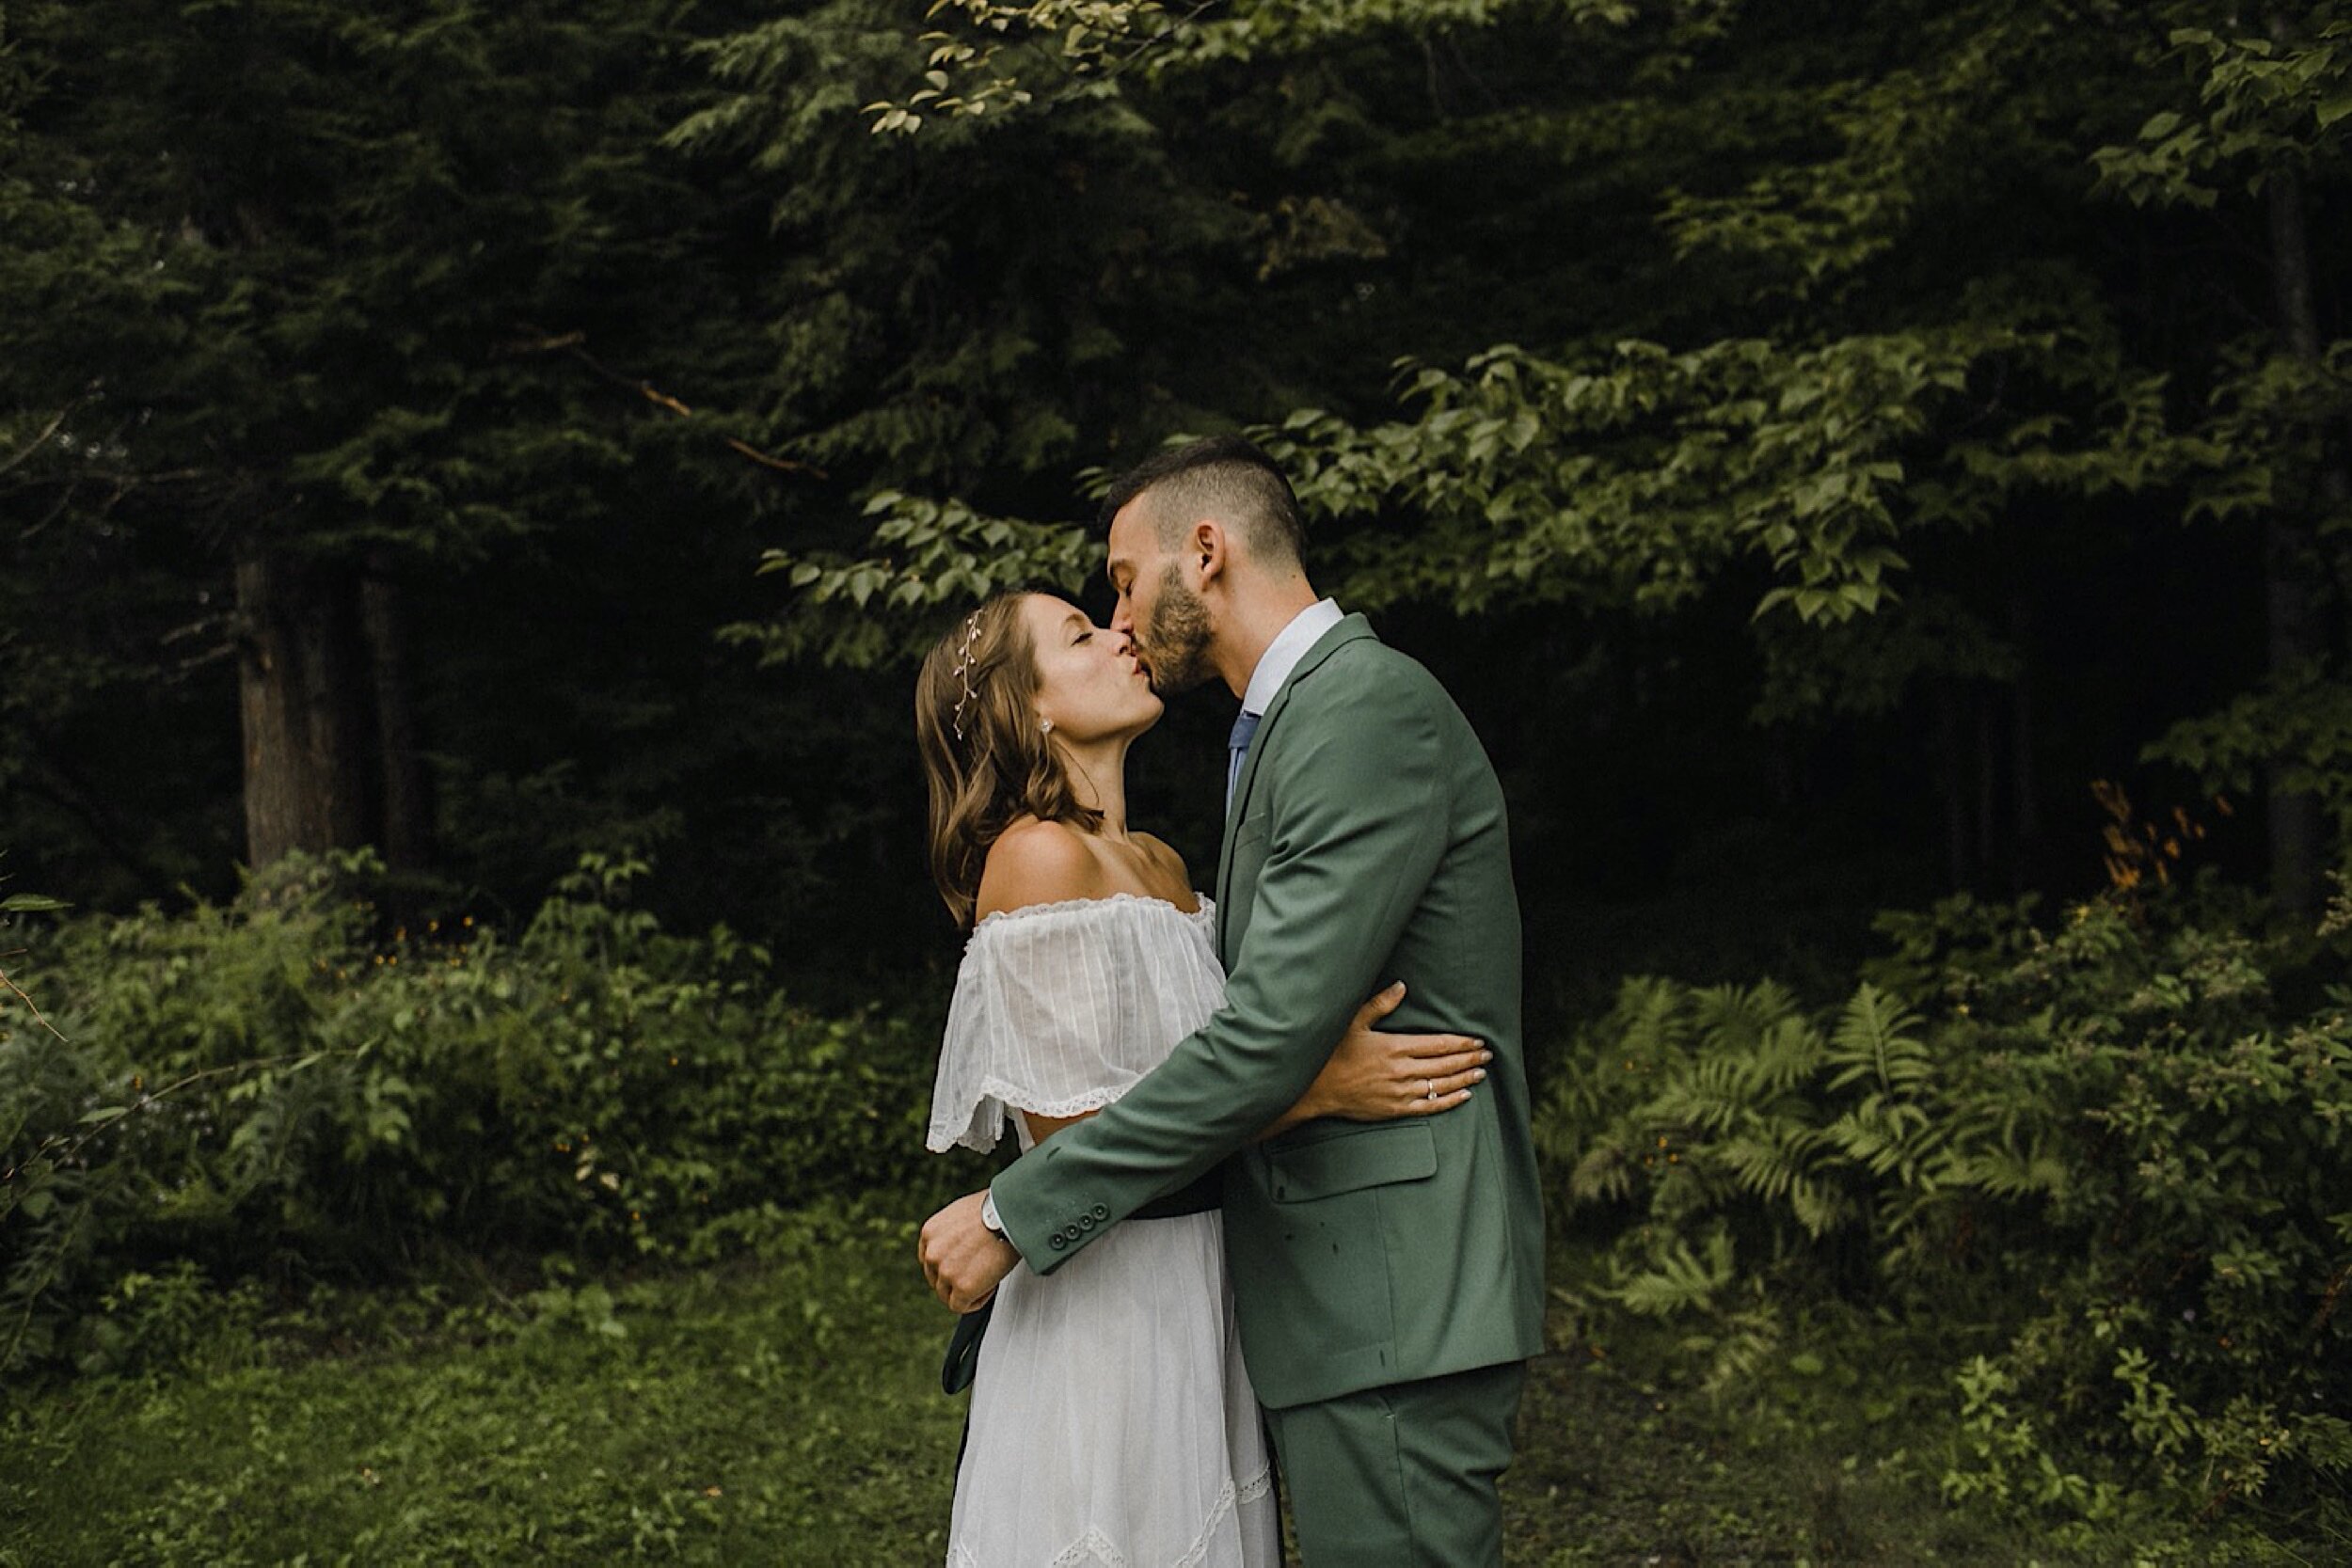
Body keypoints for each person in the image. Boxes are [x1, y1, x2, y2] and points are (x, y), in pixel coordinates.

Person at [919, 435, 1547, 1564]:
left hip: (1383, 1294)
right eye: (1088, 614)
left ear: (1202, 551)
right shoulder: (1276, 731)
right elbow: (1256, 1046)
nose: (1117, 617)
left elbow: (1260, 1037)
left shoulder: (1352, 708)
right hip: (1243, 1299)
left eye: (1118, 578)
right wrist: (1303, 1086)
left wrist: (1013, 1212)